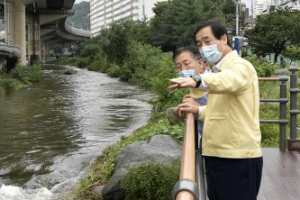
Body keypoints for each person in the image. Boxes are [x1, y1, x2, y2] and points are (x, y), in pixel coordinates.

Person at [169, 20, 263, 200]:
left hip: (236, 157)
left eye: (207, 41)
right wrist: (198, 111)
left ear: (224, 39)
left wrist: (197, 80)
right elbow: (223, 111)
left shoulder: (241, 67)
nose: (203, 48)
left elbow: (229, 80)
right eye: (199, 44)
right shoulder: (220, 71)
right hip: (218, 154)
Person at [173, 45, 210, 139]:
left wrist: (197, 108)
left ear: (201, 63)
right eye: (179, 66)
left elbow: (225, 114)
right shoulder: (196, 83)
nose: (183, 70)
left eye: (187, 64)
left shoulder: (213, 83)